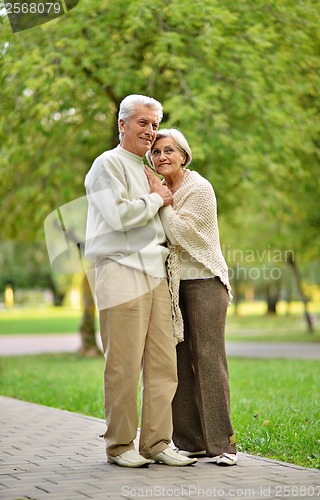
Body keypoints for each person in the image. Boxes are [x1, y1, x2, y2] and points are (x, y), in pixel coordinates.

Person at [84, 96, 197, 468]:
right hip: (119, 270)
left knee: (164, 364)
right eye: (143, 123)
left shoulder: (149, 168)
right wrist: (155, 198)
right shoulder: (107, 164)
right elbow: (116, 217)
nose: (150, 131)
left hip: (155, 273)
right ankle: (119, 446)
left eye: (154, 124)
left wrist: (159, 194)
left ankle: (156, 443)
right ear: (122, 124)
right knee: (123, 365)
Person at [145, 128, 238, 466]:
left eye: (168, 150)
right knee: (178, 362)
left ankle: (223, 445)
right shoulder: (158, 190)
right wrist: (157, 197)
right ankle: (191, 440)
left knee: (209, 361)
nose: (162, 157)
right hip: (172, 286)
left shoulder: (199, 188)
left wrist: (162, 202)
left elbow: (180, 232)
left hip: (205, 282)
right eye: (155, 152)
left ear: (183, 155)